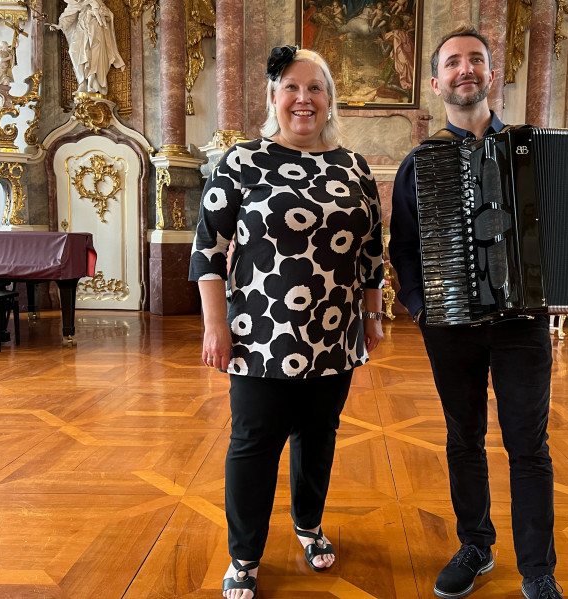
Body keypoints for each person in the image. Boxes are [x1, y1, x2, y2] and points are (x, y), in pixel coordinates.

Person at [389, 26, 568, 599]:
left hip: (523, 324)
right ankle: (475, 544)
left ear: (491, 75)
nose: (465, 69)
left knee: (528, 444)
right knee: (463, 438)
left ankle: (538, 570)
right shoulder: (420, 162)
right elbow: (403, 248)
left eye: (475, 60)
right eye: (452, 62)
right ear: (435, 82)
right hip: (451, 327)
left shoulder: (540, 149)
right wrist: (422, 310)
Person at [189, 45, 385, 599]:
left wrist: (372, 316)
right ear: (274, 97)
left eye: (315, 88)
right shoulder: (242, 161)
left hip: (335, 333)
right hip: (259, 336)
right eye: (292, 88)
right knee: (253, 443)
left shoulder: (354, 166)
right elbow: (208, 250)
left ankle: (309, 525)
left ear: (330, 99)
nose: (304, 99)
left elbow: (372, 251)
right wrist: (215, 324)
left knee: (319, 437)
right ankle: (244, 555)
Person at [49, 0, 125, 95]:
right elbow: (70, 13)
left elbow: (108, 18)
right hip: (81, 28)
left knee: (93, 57)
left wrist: (101, 15)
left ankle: (93, 84)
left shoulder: (99, 3)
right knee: (73, 51)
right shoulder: (80, 2)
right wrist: (60, 25)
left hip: (95, 31)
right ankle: (82, 82)